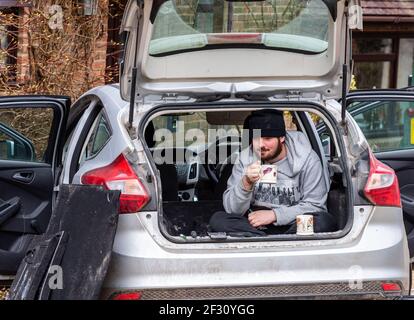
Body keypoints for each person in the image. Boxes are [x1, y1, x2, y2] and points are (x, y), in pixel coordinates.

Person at [209, 109, 336, 236]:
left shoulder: (307, 159)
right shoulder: (244, 158)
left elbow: (315, 206)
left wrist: (275, 215)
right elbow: (232, 210)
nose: (261, 145)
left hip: (292, 225)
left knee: (324, 221)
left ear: (281, 137)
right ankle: (263, 240)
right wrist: (246, 183)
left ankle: (276, 240)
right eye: (256, 139)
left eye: (267, 138)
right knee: (218, 220)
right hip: (254, 225)